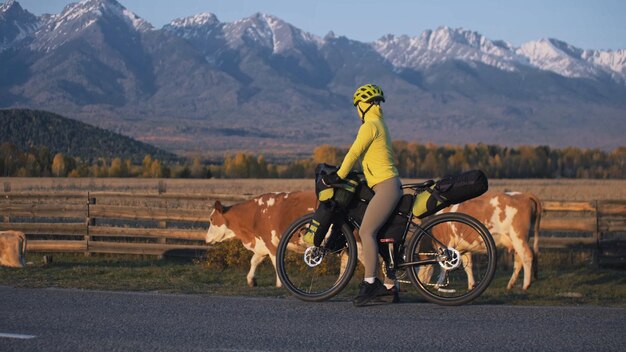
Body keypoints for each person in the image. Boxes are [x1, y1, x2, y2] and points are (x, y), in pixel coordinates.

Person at [324, 84, 403, 306]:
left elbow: (354, 153)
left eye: (358, 106)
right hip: (388, 184)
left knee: (367, 231)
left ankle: (370, 284)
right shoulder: (380, 123)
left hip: (385, 187)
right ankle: (389, 287)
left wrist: (338, 175)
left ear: (363, 105)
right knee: (382, 235)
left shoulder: (369, 126)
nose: (357, 110)